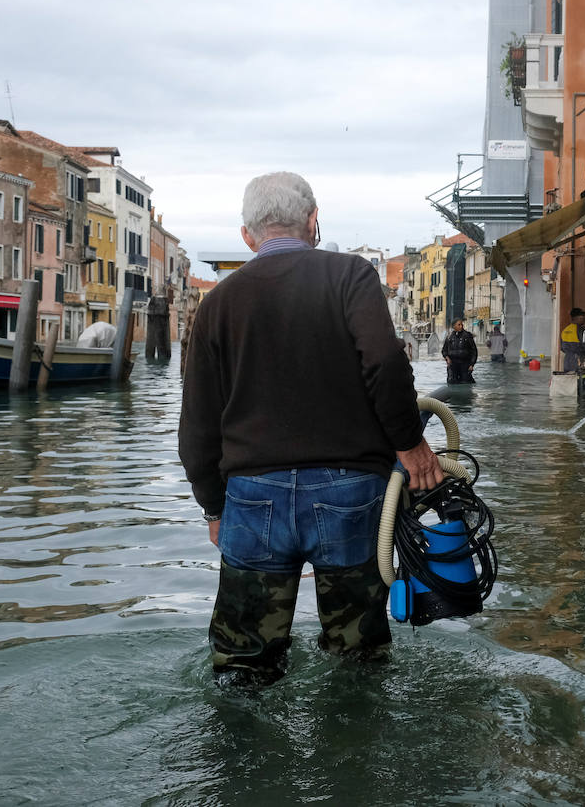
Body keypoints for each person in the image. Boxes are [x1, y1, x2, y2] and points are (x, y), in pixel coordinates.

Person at [179, 171, 444, 684]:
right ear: (313, 221)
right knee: (357, 663)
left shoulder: (216, 304)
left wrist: (214, 506)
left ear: (247, 236)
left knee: (243, 668)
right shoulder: (350, 277)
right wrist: (412, 448)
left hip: (252, 498)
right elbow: (387, 364)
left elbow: (196, 426)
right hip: (350, 493)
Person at [441, 317, 477, 384]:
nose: (461, 326)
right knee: (451, 381)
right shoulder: (449, 337)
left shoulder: (467, 336)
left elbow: (474, 351)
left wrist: (472, 364)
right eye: (459, 325)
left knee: (465, 382)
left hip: (465, 364)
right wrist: (447, 358)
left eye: (461, 325)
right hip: (453, 364)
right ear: (454, 326)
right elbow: (444, 350)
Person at [560, 307, 585, 373]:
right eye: (582, 316)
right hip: (580, 361)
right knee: (582, 381)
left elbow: (562, 348)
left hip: (567, 362)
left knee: (570, 380)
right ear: (576, 318)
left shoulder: (565, 330)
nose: (584, 318)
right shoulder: (582, 331)